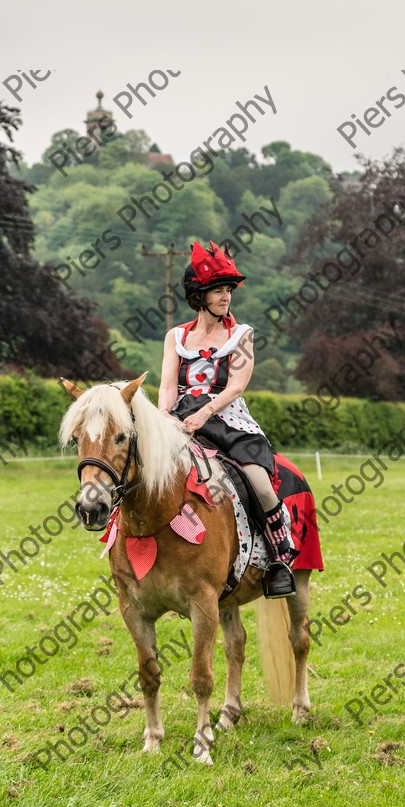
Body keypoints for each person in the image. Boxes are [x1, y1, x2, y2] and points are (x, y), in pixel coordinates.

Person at [158, 240, 296, 598]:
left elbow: (236, 386)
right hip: (180, 420)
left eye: (228, 290)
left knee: (260, 483)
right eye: (217, 290)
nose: (225, 297)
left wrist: (204, 413)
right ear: (198, 295)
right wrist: (162, 421)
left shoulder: (241, 334)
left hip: (227, 420)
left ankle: (280, 559)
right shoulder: (176, 337)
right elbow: (168, 387)